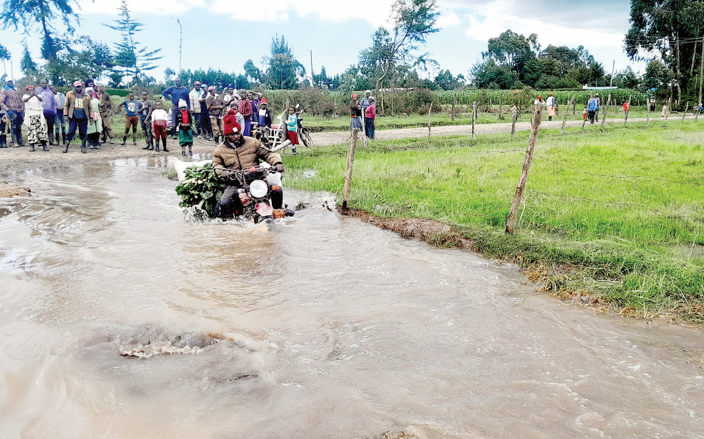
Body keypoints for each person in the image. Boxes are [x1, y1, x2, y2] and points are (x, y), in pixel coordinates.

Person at [212, 110, 285, 219]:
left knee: (277, 190)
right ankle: (227, 224)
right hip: (236, 182)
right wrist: (227, 173)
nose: (236, 136)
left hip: (257, 179)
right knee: (224, 202)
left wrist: (277, 163)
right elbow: (217, 166)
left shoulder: (253, 142)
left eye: (237, 133)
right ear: (226, 135)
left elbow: (267, 154)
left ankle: (278, 214)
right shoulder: (219, 150)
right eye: (232, 134)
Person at [63, 80, 91, 153]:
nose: (78, 88)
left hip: (83, 117)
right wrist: (65, 115)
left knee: (83, 132)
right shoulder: (69, 94)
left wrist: (91, 117)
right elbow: (66, 105)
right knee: (70, 132)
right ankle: (66, 147)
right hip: (73, 117)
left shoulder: (86, 95)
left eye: (79, 86)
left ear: (82, 87)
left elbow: (90, 107)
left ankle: (83, 147)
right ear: (74, 87)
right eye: (77, 87)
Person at [22, 85, 49, 152]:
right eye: (30, 90)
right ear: (28, 91)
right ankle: (32, 146)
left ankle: (44, 145)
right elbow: (24, 100)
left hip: (38, 115)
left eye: (32, 90)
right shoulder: (25, 96)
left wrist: (35, 95)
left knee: (41, 130)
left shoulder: (38, 96)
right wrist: (31, 95)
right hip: (30, 115)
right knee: (31, 131)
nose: (31, 91)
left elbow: (41, 99)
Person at [0, 78, 25, 147]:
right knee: (13, 126)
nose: (10, 83)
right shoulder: (4, 90)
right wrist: (7, 110)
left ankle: (20, 141)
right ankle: (14, 142)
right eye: (9, 81)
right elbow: (1, 102)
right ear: (6, 82)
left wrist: (22, 108)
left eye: (11, 81)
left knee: (19, 126)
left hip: (19, 110)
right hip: (11, 110)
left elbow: (20, 99)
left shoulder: (16, 89)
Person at [35, 79, 58, 145]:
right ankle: (41, 141)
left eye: (45, 83)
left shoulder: (50, 91)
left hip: (50, 112)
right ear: (40, 84)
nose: (44, 84)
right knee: (41, 126)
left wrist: (54, 111)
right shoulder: (37, 91)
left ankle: (51, 140)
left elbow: (53, 102)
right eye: (43, 83)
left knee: (50, 126)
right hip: (41, 111)